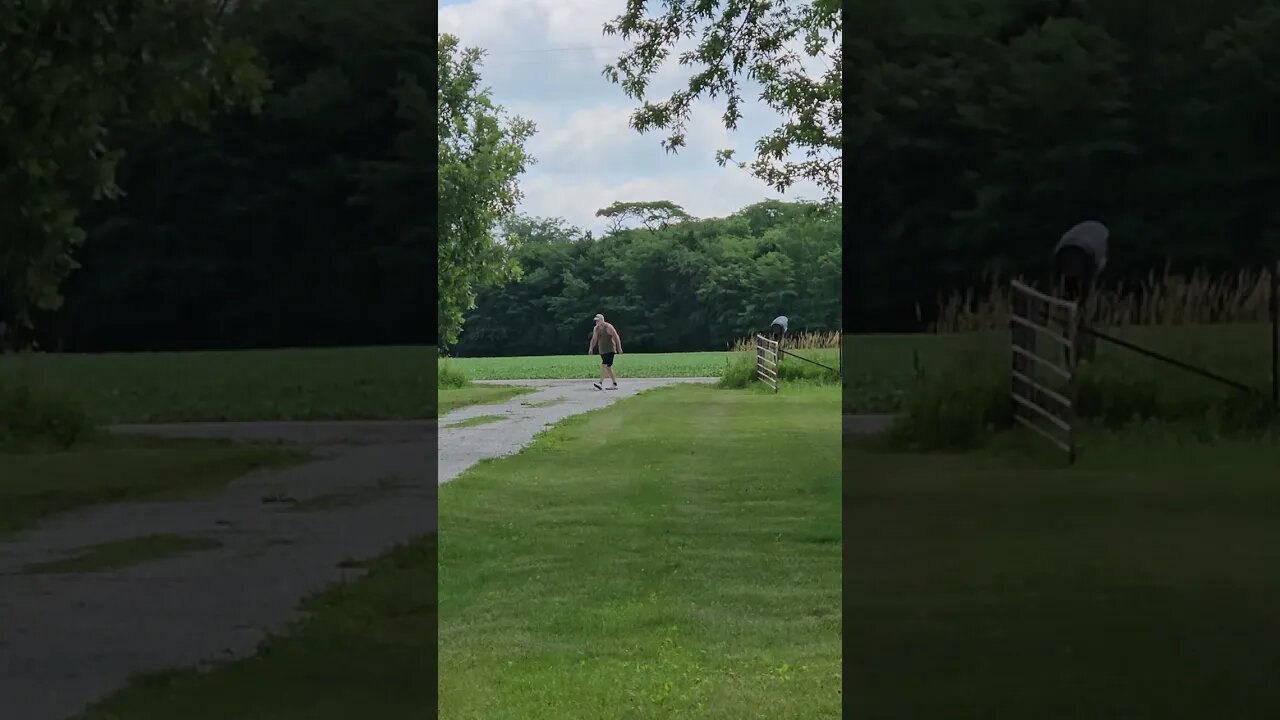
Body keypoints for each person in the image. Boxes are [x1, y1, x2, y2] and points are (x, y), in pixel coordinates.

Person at [587, 313, 623, 390]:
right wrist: (591, 348)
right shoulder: (596, 329)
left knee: (605, 365)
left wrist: (619, 348)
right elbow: (594, 339)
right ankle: (614, 383)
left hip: (610, 349)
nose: (596, 322)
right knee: (608, 367)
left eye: (598, 321)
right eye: (596, 321)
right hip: (602, 350)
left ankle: (600, 383)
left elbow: (616, 337)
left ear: (602, 320)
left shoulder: (608, 327)